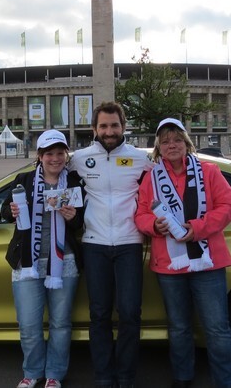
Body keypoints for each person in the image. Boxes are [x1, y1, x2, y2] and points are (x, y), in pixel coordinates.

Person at [134, 118, 231, 388]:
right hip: (169, 265)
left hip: (208, 262)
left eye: (177, 140)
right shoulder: (151, 178)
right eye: (166, 141)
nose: (172, 145)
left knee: (217, 328)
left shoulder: (209, 171)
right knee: (179, 327)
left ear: (186, 143)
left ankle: (227, 382)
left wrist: (197, 228)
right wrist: (153, 225)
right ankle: (183, 378)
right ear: (158, 147)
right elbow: (141, 215)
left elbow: (228, 206)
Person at [68, 101, 152, 388]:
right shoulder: (78, 158)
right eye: (103, 126)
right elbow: (50, 174)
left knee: (130, 312)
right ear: (94, 129)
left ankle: (126, 376)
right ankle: (104, 376)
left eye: (114, 125)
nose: (109, 131)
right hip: (94, 244)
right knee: (99, 314)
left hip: (130, 243)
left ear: (123, 127)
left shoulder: (140, 159)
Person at [1, 129, 85, 388]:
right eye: (49, 153)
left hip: (64, 262)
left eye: (60, 153)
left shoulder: (73, 182)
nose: (55, 158)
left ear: (66, 155)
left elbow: (81, 222)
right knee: (28, 324)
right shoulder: (24, 180)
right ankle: (32, 372)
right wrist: (12, 210)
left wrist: (73, 217)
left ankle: (54, 375)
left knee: (60, 323)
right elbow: (5, 210)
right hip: (28, 262)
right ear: (40, 156)